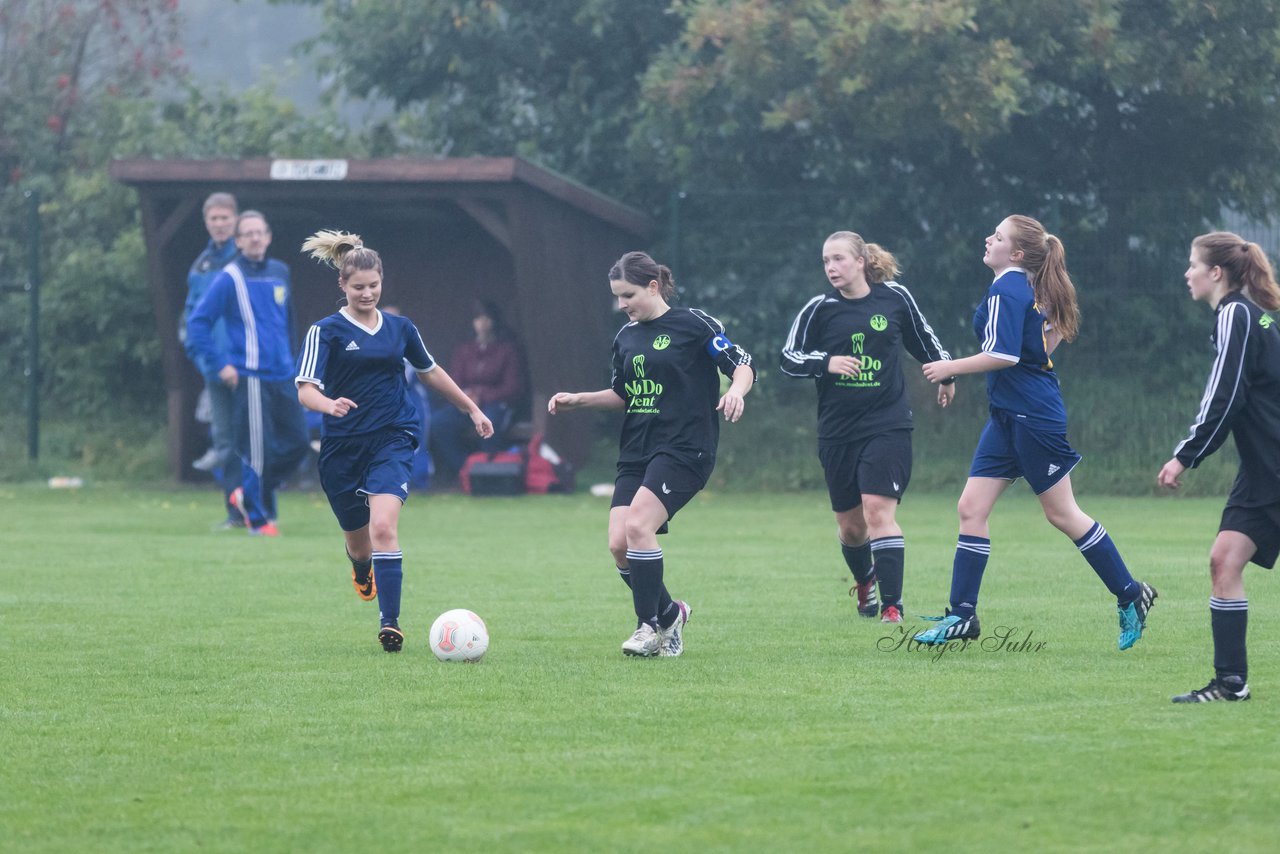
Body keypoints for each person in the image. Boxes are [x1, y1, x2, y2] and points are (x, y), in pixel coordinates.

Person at [916, 214, 1157, 648]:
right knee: (971, 507)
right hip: (1009, 415)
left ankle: (1130, 593)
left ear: (1018, 253)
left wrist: (951, 367)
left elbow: (1004, 355)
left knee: (1062, 513)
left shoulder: (1009, 286)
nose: (988, 239)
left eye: (999, 236)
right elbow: (1046, 341)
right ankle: (963, 616)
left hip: (1032, 416)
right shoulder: (1020, 287)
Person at [548, 250, 755, 657]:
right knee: (618, 544)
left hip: (684, 447)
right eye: (617, 298)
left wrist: (735, 390)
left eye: (628, 295)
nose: (622, 305)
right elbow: (624, 393)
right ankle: (670, 614)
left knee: (638, 526)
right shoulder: (625, 337)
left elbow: (742, 363)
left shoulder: (694, 324)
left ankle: (647, 627)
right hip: (637, 449)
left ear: (653, 286)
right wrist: (580, 399)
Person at [296, 230, 493, 653]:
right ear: (342, 286)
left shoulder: (401, 329)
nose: (367, 294)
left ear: (382, 281)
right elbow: (305, 389)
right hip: (342, 447)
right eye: (358, 287)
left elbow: (431, 372)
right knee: (359, 540)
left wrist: (470, 409)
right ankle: (360, 566)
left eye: (374, 286)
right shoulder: (325, 331)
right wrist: (328, 405)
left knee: (384, 526)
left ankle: (390, 623)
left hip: (393, 436)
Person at [780, 231, 956, 623]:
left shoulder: (895, 297)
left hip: (887, 424)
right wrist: (826, 362)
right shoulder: (819, 308)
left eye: (839, 259)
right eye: (826, 261)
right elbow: (788, 358)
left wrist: (946, 372)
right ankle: (866, 581)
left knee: (878, 511)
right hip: (837, 431)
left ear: (861, 261)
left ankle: (893, 606)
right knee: (852, 528)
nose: (831, 267)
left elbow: (921, 337)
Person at [1157, 232, 1280, 702]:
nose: (1186, 273)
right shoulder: (1249, 317)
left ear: (1215, 273)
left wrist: (1184, 456)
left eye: (1192, 264)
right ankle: (1232, 684)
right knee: (1223, 561)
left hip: (1272, 468)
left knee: (1223, 561)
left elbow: (1225, 396)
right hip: (1262, 471)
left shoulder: (1236, 314)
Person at [186, 210, 310, 536]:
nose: (255, 238)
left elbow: (289, 323)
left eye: (260, 232)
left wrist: (296, 366)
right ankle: (258, 520)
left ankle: (248, 493)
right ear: (239, 241)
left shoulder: (280, 272)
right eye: (248, 234)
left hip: (283, 375)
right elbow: (197, 324)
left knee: (298, 442)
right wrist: (220, 364)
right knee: (257, 451)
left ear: (268, 236)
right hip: (250, 376)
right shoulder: (229, 277)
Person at [181, 192, 243, 529]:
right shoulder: (201, 265)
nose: (219, 224)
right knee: (226, 441)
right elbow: (189, 320)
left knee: (257, 440)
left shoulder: (248, 260)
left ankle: (260, 507)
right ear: (207, 222)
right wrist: (206, 360)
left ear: (235, 220)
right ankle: (236, 512)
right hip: (216, 370)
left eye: (225, 218)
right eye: (214, 219)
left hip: (249, 367)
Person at [431, 300, 525, 484]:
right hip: (467, 405)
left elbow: (513, 387)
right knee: (439, 423)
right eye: (478, 319)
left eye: (486, 319)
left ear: (494, 321)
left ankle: (490, 476)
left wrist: (481, 396)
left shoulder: (507, 350)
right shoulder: (465, 350)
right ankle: (466, 470)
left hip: (495, 404)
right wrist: (466, 397)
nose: (482, 324)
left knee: (489, 426)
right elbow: (454, 381)